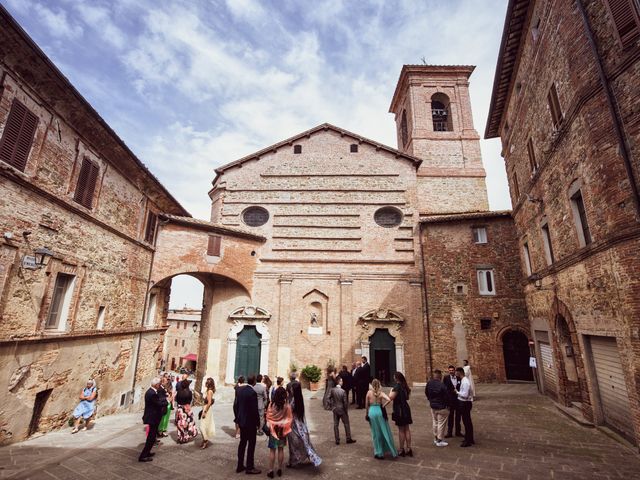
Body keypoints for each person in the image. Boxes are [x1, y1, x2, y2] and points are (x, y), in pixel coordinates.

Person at [287, 380, 322, 468]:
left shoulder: (294, 400)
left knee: (294, 442)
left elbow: (289, 410)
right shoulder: (298, 398)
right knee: (302, 441)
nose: (290, 390)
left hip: (294, 423)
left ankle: (295, 460)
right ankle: (297, 458)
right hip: (299, 422)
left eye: (292, 389)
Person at [234, 375, 261, 474]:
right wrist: (258, 423)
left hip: (242, 421)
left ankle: (240, 465)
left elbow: (236, 405)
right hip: (250, 423)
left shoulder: (240, 390)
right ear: (254, 382)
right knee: (251, 444)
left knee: (242, 443)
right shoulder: (252, 393)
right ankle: (250, 467)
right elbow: (254, 410)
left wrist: (238, 417)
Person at [365, 379, 397, 460]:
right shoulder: (381, 393)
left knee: (375, 432)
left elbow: (366, 405)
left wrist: (366, 414)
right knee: (384, 430)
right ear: (379, 385)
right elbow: (389, 399)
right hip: (379, 411)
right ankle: (389, 450)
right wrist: (383, 406)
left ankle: (378, 452)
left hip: (372, 412)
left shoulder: (369, 392)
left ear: (372, 385)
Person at [265, 387, 293, 478]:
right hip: (282, 430)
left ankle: (270, 470)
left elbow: (268, 417)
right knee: (281, 449)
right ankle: (280, 468)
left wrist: (272, 423)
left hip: (273, 430)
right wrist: (283, 424)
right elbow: (289, 419)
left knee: (272, 450)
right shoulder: (287, 406)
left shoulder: (271, 404)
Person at [139, 377, 167, 462]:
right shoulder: (152, 393)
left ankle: (147, 452)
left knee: (151, 437)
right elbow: (158, 403)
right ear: (156, 385)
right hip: (153, 418)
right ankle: (143, 456)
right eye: (159, 384)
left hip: (152, 417)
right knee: (151, 437)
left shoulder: (151, 391)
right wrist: (167, 401)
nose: (160, 385)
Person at [389, 372, 413, 457]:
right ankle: (409, 448)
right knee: (407, 429)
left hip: (399, 410)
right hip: (406, 408)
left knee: (401, 430)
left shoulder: (397, 387)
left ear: (396, 378)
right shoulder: (405, 386)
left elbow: (390, 397)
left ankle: (402, 449)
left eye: (394, 377)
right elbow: (407, 398)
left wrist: (391, 390)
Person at [425, 369, 450, 447]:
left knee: (435, 422)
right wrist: (448, 406)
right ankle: (439, 440)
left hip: (433, 406)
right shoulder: (442, 385)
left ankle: (436, 438)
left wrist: (430, 400)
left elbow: (426, 393)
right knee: (441, 423)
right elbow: (447, 396)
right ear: (440, 376)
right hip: (442, 407)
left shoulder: (429, 383)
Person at [330, 376, 355, 445]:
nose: (342, 382)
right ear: (339, 382)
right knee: (346, 424)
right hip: (342, 409)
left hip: (335, 409)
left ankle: (337, 440)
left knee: (335, 425)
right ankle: (348, 438)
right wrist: (346, 410)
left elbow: (328, 399)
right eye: (341, 381)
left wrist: (332, 407)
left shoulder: (332, 390)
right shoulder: (343, 391)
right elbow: (345, 402)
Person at [455, 367, 474, 447]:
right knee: (466, 421)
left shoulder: (465, 382)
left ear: (459, 373)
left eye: (456, 372)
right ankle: (469, 438)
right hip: (463, 403)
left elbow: (465, 395)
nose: (455, 374)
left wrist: (457, 392)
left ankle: (468, 440)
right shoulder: (463, 380)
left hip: (465, 403)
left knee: (467, 422)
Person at [443, 365, 461, 438]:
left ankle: (458, 432)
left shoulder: (459, 378)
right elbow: (444, 389)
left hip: (458, 400)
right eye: (450, 370)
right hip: (450, 401)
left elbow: (460, 387)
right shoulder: (446, 378)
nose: (451, 371)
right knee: (450, 417)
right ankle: (449, 432)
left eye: (452, 370)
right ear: (448, 371)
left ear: (454, 371)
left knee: (458, 416)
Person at [200, 377, 216, 449]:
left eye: (206, 383)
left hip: (207, 409)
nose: (205, 384)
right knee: (205, 425)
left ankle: (205, 440)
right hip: (206, 408)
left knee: (202, 426)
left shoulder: (209, 391)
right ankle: (204, 440)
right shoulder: (209, 391)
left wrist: (205, 412)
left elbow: (209, 403)